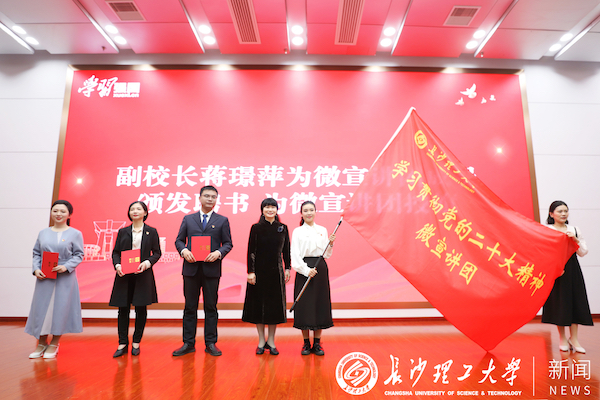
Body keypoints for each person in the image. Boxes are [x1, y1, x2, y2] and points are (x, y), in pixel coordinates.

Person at [173, 185, 233, 357]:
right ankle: (188, 343)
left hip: (211, 270)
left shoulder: (222, 220)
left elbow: (228, 243)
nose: (210, 199)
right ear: (199, 198)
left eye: (213, 197)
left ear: (216, 200)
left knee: (210, 307)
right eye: (207, 196)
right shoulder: (188, 219)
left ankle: (210, 343)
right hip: (191, 269)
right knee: (190, 307)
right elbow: (179, 240)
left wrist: (218, 253)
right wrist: (184, 250)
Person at [25, 200, 84, 359]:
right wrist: (36, 269)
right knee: (41, 309)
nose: (58, 214)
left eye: (63, 211)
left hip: (65, 277)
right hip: (45, 275)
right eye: (55, 211)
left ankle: (54, 343)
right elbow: (36, 253)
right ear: (51, 212)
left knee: (61, 309)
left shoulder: (75, 233)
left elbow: (79, 255)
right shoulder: (43, 233)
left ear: (69, 215)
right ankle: (41, 343)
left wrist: (66, 266)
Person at [109, 201, 162, 357]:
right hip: (124, 275)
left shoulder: (151, 231)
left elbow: (157, 253)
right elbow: (116, 252)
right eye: (132, 209)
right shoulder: (123, 231)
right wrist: (117, 265)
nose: (135, 211)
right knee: (123, 309)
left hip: (143, 274)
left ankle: (136, 342)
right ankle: (122, 343)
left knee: (141, 309)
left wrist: (147, 263)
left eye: (139, 209)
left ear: (145, 213)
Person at [542, 200, 593, 353]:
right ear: (551, 214)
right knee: (561, 303)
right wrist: (555, 269)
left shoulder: (574, 230)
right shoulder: (547, 230)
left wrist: (575, 240)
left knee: (575, 302)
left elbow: (583, 252)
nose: (563, 214)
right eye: (560, 211)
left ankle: (574, 339)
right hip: (557, 271)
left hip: (572, 269)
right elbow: (543, 252)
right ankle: (562, 338)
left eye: (565, 211)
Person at [242, 198, 291, 355]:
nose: (270, 210)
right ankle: (261, 341)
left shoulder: (282, 228)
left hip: (276, 272)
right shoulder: (256, 228)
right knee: (258, 307)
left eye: (273, 207)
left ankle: (271, 341)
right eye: (267, 207)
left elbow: (286, 251)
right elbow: (251, 251)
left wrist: (288, 268)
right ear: (262, 210)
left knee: (274, 308)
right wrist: (251, 271)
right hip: (258, 273)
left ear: (277, 210)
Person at [291, 201, 336, 356]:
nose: (309, 213)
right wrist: (305, 270)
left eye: (311, 210)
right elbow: (295, 254)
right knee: (304, 305)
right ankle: (306, 343)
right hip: (304, 269)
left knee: (319, 304)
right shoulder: (297, 231)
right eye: (305, 210)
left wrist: (331, 243)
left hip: (320, 268)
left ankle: (317, 343)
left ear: (316, 212)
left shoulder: (322, 230)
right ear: (301, 213)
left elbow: (326, 254)